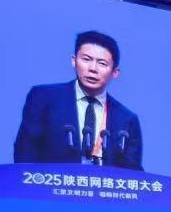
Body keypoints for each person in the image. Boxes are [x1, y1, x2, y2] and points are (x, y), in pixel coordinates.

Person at [14, 30, 143, 170]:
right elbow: (25, 153)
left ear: (115, 73)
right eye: (86, 59)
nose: (93, 69)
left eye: (102, 63)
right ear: (74, 61)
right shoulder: (44, 98)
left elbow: (133, 173)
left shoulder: (127, 119)